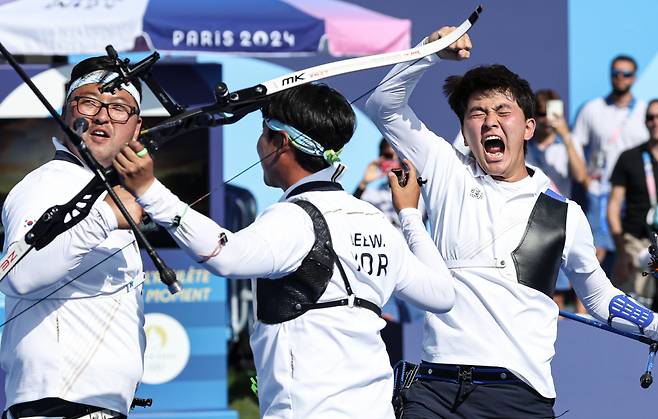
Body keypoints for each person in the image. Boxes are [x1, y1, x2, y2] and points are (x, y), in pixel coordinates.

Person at [113, 83, 456, 418]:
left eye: (263, 135)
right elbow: (441, 295)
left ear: (281, 141)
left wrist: (149, 189)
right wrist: (409, 214)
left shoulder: (294, 217)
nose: (259, 146)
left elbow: (225, 255)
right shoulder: (373, 219)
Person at [366, 26, 658, 418]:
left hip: (519, 397)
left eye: (503, 112)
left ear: (529, 127)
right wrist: (430, 51)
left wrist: (655, 324)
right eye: (477, 113)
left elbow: (600, 298)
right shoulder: (446, 169)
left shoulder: (564, 213)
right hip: (434, 391)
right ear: (465, 131)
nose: (490, 122)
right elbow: (384, 104)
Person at [0, 57, 146, 418]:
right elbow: (16, 274)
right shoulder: (47, 184)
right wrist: (105, 217)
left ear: (136, 128)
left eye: (118, 108)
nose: (101, 116)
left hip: (89, 404)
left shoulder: (97, 188)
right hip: (58, 403)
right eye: (89, 102)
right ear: (66, 113)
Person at [572, 55, 649, 266]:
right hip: (601, 192)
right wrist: (585, 179)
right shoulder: (593, 109)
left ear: (634, 78)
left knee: (633, 255)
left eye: (626, 74)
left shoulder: (645, 112)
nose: (620, 78)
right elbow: (575, 142)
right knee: (595, 256)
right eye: (615, 73)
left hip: (633, 194)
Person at [354, 139, 425, 365]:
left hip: (413, 272)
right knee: (388, 334)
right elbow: (344, 216)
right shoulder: (372, 195)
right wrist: (365, 182)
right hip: (384, 276)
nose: (391, 163)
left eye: (395, 157)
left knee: (418, 338)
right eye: (386, 157)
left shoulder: (422, 194)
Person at [529, 89, 587, 312]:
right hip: (529, 223)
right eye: (540, 113)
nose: (545, 119)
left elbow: (581, 176)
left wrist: (566, 136)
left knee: (561, 296)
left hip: (558, 223)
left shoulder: (567, 145)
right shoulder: (524, 144)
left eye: (550, 113)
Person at [608, 99, 658, 308]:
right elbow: (613, 207)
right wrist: (622, 251)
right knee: (639, 309)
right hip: (638, 247)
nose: (655, 122)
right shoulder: (629, 158)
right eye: (650, 117)